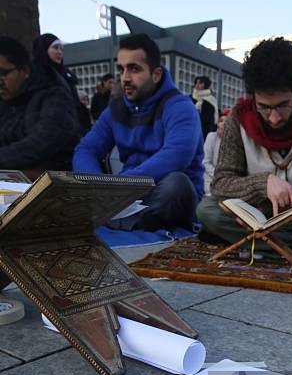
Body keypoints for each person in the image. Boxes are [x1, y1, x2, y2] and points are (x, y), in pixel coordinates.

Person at [197, 37, 292, 256]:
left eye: (282, 105)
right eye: (264, 107)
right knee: (207, 210)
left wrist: (281, 200)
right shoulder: (238, 117)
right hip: (251, 210)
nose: (274, 118)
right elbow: (222, 183)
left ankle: (244, 238)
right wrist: (265, 185)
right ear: (253, 98)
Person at [73, 33, 204, 231]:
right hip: (126, 195)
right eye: (121, 69)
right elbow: (86, 149)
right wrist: (98, 186)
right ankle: (132, 220)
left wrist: (121, 187)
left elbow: (176, 156)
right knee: (74, 184)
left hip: (164, 193)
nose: (125, 78)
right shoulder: (116, 110)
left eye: (134, 69)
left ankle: (113, 219)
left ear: (156, 74)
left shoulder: (180, 107)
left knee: (176, 185)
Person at [0, 36, 79, 176]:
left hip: (53, 183)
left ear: (24, 71)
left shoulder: (54, 95)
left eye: (4, 73)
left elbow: (41, 144)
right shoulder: (7, 100)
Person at [32, 33, 87, 136]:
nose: (59, 52)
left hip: (72, 129)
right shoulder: (37, 75)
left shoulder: (65, 75)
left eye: (61, 49)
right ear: (44, 49)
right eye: (55, 48)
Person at [203, 108, 230, 194]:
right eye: (221, 121)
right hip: (210, 178)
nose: (222, 124)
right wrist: (219, 176)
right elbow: (205, 162)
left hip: (227, 183)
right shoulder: (211, 137)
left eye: (226, 122)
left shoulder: (234, 142)